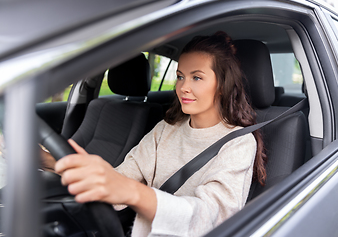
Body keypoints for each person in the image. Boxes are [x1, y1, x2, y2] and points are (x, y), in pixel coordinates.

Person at [49, 31, 266, 237]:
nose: (183, 88)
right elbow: (123, 177)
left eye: (196, 78)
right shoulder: (166, 129)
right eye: (180, 76)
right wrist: (51, 161)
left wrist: (133, 193)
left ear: (222, 85)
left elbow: (212, 217)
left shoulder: (239, 143)